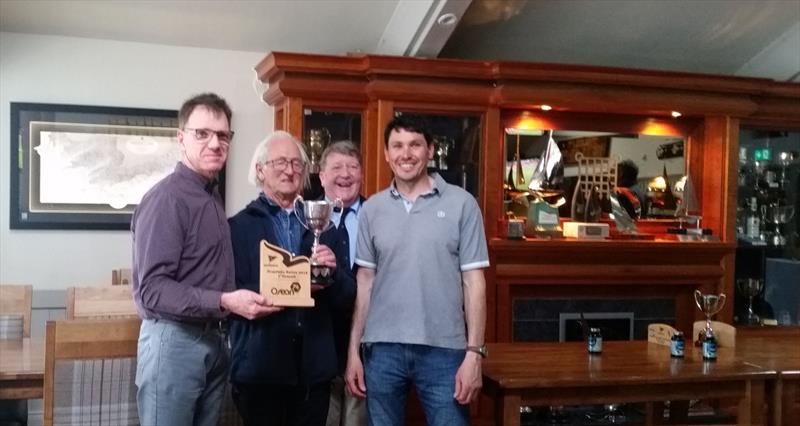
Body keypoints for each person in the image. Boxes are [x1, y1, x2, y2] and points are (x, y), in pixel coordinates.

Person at [132, 93, 279, 426]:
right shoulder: (167, 199)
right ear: (181, 138)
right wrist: (226, 300)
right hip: (174, 342)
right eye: (203, 133)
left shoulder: (208, 195)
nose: (215, 143)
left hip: (213, 339)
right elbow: (153, 291)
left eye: (223, 135)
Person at [345, 116, 490, 426]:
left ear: (430, 151)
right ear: (386, 153)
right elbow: (365, 283)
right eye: (397, 146)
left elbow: (474, 283)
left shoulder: (462, 204)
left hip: (445, 351)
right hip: (381, 350)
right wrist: (353, 353)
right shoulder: (372, 209)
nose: (405, 154)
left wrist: (474, 354)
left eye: (415, 145)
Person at [228, 131, 356, 426]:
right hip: (260, 371)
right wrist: (297, 282)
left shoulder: (324, 226)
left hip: (313, 372)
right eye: (281, 162)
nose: (290, 170)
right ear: (260, 170)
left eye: (297, 164)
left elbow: (346, 296)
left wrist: (332, 272)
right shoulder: (238, 227)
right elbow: (233, 291)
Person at [319, 141, 367, 426]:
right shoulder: (303, 216)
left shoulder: (379, 214)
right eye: (337, 167)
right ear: (322, 176)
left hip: (369, 340)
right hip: (321, 339)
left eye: (353, 167)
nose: (345, 174)